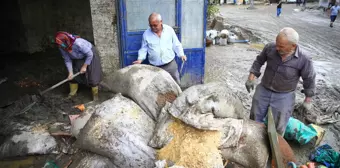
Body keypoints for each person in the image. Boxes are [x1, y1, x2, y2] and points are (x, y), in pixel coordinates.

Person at [245, 27, 316, 135]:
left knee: (278, 126)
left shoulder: (304, 59)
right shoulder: (270, 48)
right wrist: (251, 77)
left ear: (293, 46)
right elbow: (258, 61)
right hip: (264, 89)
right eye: (276, 43)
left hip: (284, 95)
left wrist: (308, 100)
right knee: (254, 119)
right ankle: (253, 140)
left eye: (281, 46)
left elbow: (309, 78)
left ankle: (274, 148)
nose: (277, 48)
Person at [133, 13, 187, 84]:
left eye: (155, 25)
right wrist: (140, 59)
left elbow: (176, 44)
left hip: (170, 65)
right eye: (151, 25)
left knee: (175, 83)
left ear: (161, 22)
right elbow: (143, 49)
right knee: (156, 86)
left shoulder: (169, 30)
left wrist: (181, 54)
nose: (153, 27)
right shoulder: (146, 34)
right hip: (155, 67)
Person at [55, 31, 102, 101]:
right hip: (78, 56)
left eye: (62, 45)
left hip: (90, 54)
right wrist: (70, 72)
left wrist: (84, 66)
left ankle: (95, 96)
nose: (61, 47)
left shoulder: (78, 43)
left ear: (67, 41)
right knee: (73, 75)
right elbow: (67, 60)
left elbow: (90, 54)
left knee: (93, 76)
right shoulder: (61, 47)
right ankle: (72, 94)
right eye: (60, 45)